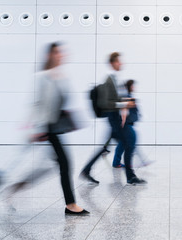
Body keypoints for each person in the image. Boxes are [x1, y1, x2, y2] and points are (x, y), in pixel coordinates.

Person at [30, 42, 89, 215]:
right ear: (49, 55)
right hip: (47, 127)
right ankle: (70, 205)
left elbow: (59, 101)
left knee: (52, 166)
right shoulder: (42, 76)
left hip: (54, 127)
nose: (60, 55)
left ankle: (15, 190)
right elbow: (38, 103)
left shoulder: (60, 76)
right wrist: (39, 128)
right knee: (64, 163)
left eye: (61, 52)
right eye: (57, 52)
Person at [90, 52, 146, 185]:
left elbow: (117, 99)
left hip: (116, 118)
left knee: (121, 144)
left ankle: (87, 170)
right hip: (113, 118)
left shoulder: (116, 79)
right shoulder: (109, 80)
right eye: (118, 61)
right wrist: (125, 104)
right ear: (112, 63)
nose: (121, 63)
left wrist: (125, 102)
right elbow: (105, 103)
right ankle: (130, 176)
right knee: (129, 141)